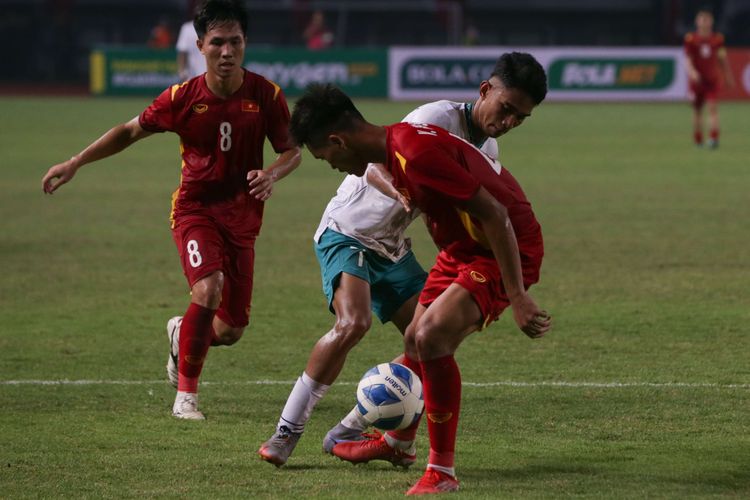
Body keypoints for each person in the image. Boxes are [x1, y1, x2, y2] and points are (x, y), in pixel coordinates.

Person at [279, 65, 552, 495]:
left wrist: (517, 296)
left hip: (503, 248)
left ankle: (441, 472)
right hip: (462, 249)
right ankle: (396, 442)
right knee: (414, 341)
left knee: (431, 340)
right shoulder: (403, 143)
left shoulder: (414, 151)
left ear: (337, 141)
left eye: (325, 157)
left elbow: (497, 214)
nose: (331, 166)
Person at [41, 0, 301, 420]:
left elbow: (292, 151)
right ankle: (186, 397)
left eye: (235, 41)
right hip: (195, 211)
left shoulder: (266, 95)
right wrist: (75, 162)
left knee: (231, 330)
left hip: (243, 219)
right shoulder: (182, 98)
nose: (227, 52)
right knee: (208, 287)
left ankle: (182, 332)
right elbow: (128, 131)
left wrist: (273, 173)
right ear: (200, 45)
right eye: (217, 42)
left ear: (245, 43)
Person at [683, 8, 735, 148]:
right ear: (697, 22)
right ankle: (698, 139)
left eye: (707, 20)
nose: (704, 22)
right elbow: (687, 59)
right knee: (697, 110)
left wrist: (728, 76)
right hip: (697, 81)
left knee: (713, 108)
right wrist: (692, 72)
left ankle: (713, 138)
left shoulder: (717, 39)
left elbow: (722, 59)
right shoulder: (691, 39)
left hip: (711, 79)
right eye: (702, 19)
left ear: (711, 22)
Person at [176, 15, 207, 81]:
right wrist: (182, 71)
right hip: (192, 76)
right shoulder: (187, 28)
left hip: (210, 76)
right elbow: (182, 52)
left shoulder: (213, 28)